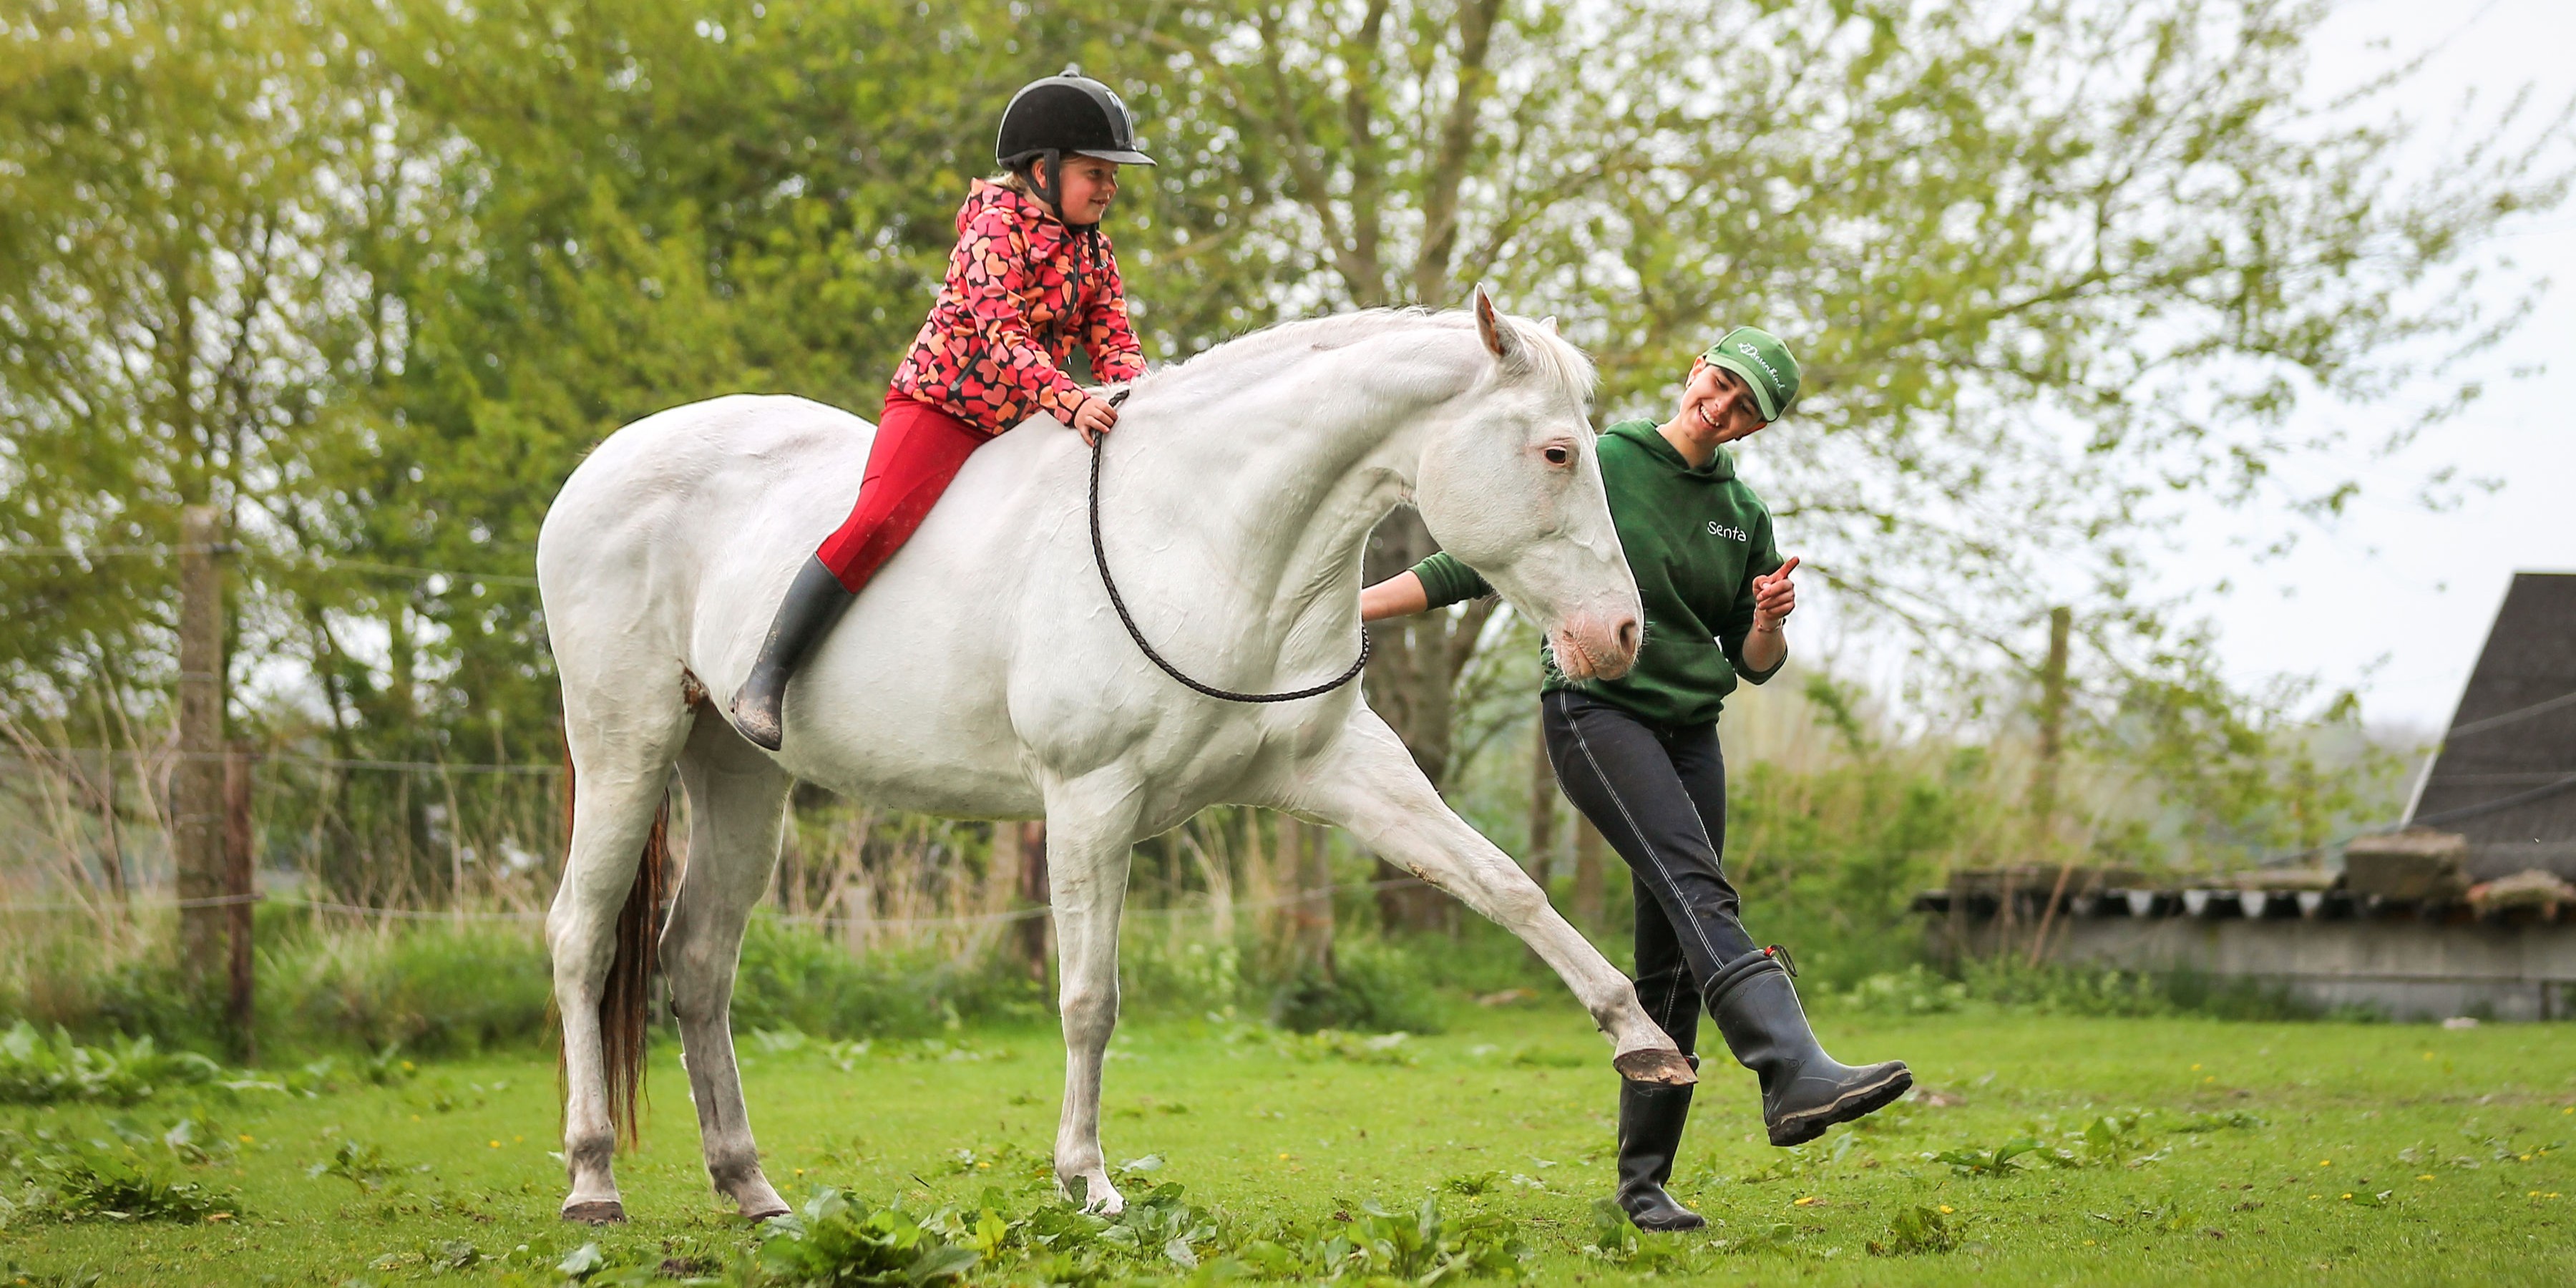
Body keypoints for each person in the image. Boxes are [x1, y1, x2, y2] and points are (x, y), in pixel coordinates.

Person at [1359, 328, 1909, 1231]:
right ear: (1698, 367)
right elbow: (1471, 564)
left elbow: (1753, 659)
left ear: (1755, 429)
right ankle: (1791, 1067)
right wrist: (1350, 604)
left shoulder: (1744, 513)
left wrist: (1769, 618)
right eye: (1722, 382)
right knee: (1702, 893)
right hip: (1598, 712)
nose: (1724, 404)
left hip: (1694, 730)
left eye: (1747, 407)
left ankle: (1645, 1186)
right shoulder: (1604, 458)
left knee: (1677, 956)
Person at [729, 67, 1154, 750]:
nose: (1109, 186)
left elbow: (1115, 340)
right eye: (1094, 170)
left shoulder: (1095, 252)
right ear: (1041, 171)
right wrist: (1071, 402)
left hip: (1028, 417)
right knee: (876, 522)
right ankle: (768, 675)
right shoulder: (993, 228)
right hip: (944, 407)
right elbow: (1001, 333)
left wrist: (1144, 401)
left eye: (1113, 174)